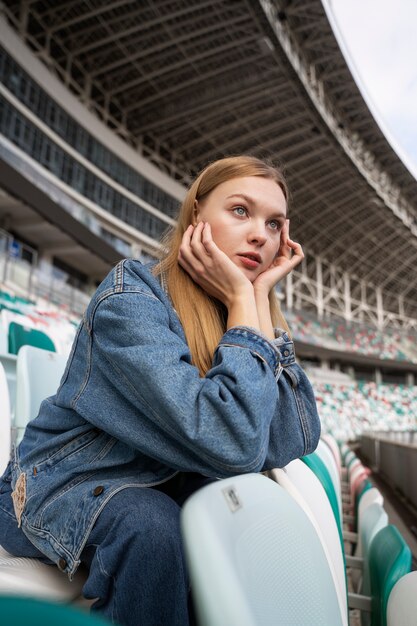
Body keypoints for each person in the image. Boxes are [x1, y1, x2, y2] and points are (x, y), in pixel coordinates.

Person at [0, 155, 320, 626]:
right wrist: (243, 307)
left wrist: (256, 305)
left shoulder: (239, 313)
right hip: (55, 487)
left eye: (274, 224)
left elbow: (294, 437)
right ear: (196, 216)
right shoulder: (130, 298)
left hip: (155, 491)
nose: (260, 235)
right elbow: (231, 443)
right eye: (240, 211)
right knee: (154, 526)